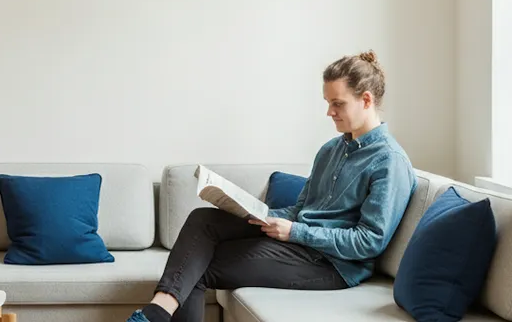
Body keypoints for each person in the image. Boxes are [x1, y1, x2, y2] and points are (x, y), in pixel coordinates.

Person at [128, 50, 416, 322]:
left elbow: (368, 242)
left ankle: (156, 314)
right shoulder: (330, 150)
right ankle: (158, 312)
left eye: (337, 103)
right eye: (327, 102)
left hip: (331, 265)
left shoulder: (389, 161)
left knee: (197, 268)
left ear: (366, 100)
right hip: (298, 243)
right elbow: (302, 208)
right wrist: (260, 213)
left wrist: (295, 232)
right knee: (203, 219)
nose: (329, 112)